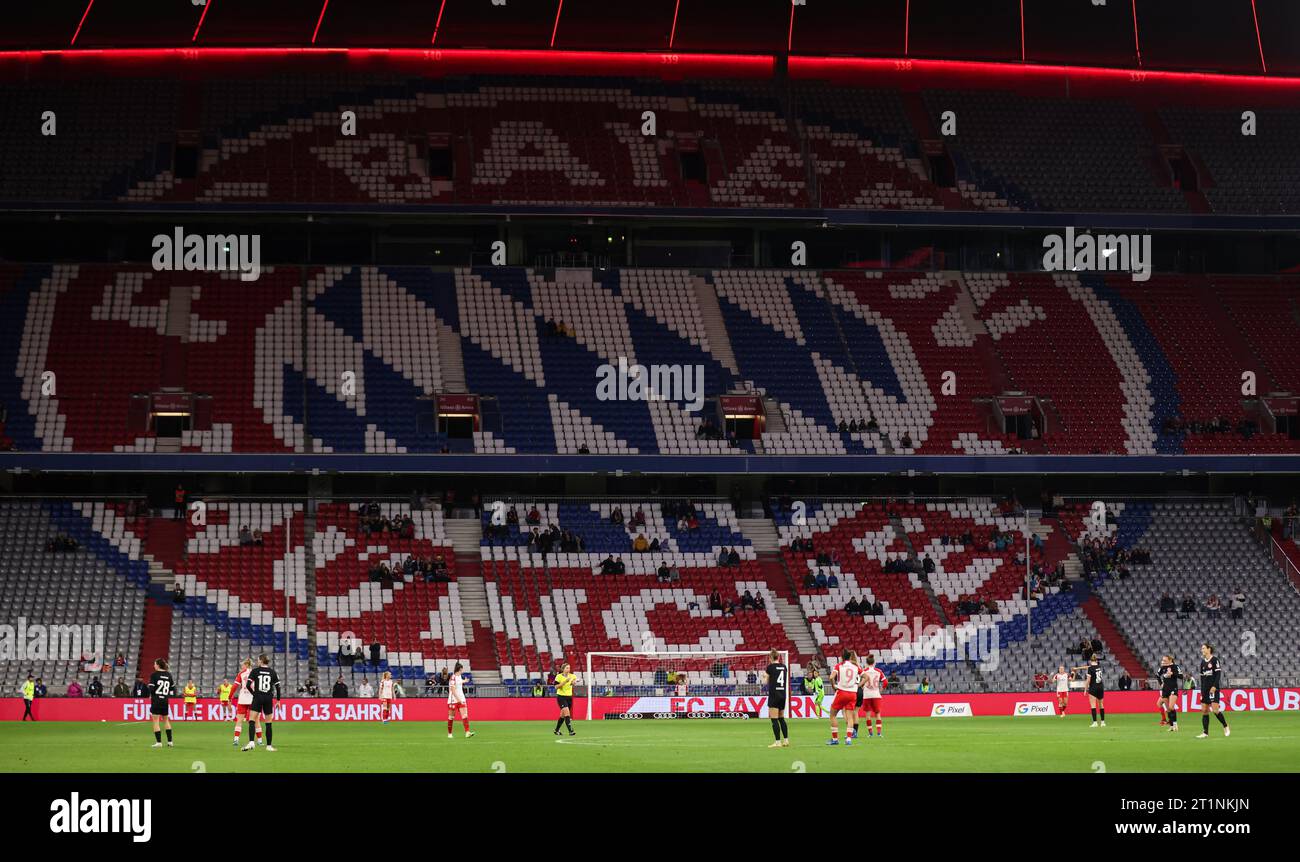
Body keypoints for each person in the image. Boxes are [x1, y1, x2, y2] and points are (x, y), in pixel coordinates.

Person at [242, 654, 281, 752]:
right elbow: (278, 687)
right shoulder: (273, 672)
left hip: (258, 697)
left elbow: (247, 685)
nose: (257, 661)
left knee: (251, 720)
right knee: (268, 723)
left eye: (258, 660)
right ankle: (269, 746)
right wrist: (278, 700)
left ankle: (251, 742)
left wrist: (254, 694)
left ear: (261, 661)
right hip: (268, 698)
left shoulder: (255, 671)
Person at [826, 649, 860, 746]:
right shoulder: (855, 666)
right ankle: (849, 739)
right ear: (850, 657)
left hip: (842, 692)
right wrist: (858, 686)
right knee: (850, 717)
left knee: (832, 715)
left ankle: (835, 739)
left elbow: (831, 677)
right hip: (853, 693)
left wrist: (833, 686)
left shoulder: (839, 665)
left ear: (842, 657)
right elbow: (865, 676)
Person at [1197, 643, 1230, 739]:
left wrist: (1215, 686)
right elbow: (1202, 678)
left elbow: (1218, 675)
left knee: (1215, 710)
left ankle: (1225, 725)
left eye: (1203, 648)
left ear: (1209, 649)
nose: (1202, 650)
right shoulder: (1202, 662)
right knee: (1204, 710)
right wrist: (1202, 691)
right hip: (1205, 689)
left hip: (1213, 689)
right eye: (1201, 648)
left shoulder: (1215, 660)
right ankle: (1205, 733)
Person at [762, 649, 790, 749]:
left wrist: (764, 676)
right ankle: (786, 740)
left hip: (774, 694)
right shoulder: (784, 667)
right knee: (781, 718)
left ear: (770, 658)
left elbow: (765, 682)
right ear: (778, 657)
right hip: (783, 694)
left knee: (774, 719)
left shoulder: (770, 667)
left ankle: (777, 742)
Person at [231, 659, 262, 748]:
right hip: (253, 699)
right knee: (256, 720)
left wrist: (230, 697)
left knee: (239, 720)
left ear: (246, 665)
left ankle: (236, 739)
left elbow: (234, 687)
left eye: (242, 665)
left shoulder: (241, 674)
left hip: (243, 699)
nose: (242, 667)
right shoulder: (256, 672)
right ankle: (259, 741)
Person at [147, 659, 177, 748]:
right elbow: (173, 689)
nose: (154, 666)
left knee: (156, 721)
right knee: (166, 720)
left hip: (156, 700)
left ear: (158, 665)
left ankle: (159, 742)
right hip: (165, 701)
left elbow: (151, 689)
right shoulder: (168, 674)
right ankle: (170, 742)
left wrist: (152, 694)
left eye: (155, 664)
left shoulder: (154, 675)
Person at [856, 655, 886, 738]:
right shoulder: (879, 671)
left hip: (867, 695)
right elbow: (885, 682)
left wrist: (862, 687)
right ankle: (879, 733)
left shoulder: (864, 671)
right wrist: (880, 690)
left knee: (868, 714)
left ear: (866, 662)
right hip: (876, 694)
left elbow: (860, 682)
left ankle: (870, 733)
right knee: (878, 714)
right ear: (874, 662)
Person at [1073, 655, 1105, 727]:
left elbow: (1088, 680)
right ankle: (1103, 722)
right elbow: (1088, 667)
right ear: (1096, 660)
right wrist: (1078, 668)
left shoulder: (1090, 669)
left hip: (1093, 687)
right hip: (1100, 687)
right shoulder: (1099, 666)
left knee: (1093, 705)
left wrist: (1085, 689)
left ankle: (1095, 722)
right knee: (1101, 705)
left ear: (1090, 661)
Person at [447, 662, 474, 739]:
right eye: (462, 669)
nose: (463, 671)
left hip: (461, 699)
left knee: (465, 715)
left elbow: (459, 683)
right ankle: (449, 733)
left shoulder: (459, 677)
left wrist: (464, 681)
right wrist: (458, 699)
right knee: (451, 717)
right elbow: (452, 689)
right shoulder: (453, 677)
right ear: (460, 669)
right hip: (453, 700)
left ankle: (467, 732)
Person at [1157, 655, 1182, 733]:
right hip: (1165, 690)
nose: (1163, 661)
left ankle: (1175, 724)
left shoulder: (1175, 667)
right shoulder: (1162, 667)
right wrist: (1161, 683)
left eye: (1165, 660)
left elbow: (1181, 676)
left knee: (1171, 707)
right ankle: (1171, 726)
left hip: (1173, 688)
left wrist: (1173, 673)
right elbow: (1157, 675)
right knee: (1168, 709)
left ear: (1170, 660)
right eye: (1163, 660)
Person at [553, 661, 578, 737]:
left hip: (569, 697)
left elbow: (573, 682)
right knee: (567, 713)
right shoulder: (559, 676)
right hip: (561, 697)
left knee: (563, 715)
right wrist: (565, 681)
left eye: (569, 668)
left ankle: (556, 730)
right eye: (567, 668)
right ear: (563, 669)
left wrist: (573, 683)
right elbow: (556, 687)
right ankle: (571, 731)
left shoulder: (572, 676)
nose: (568, 669)